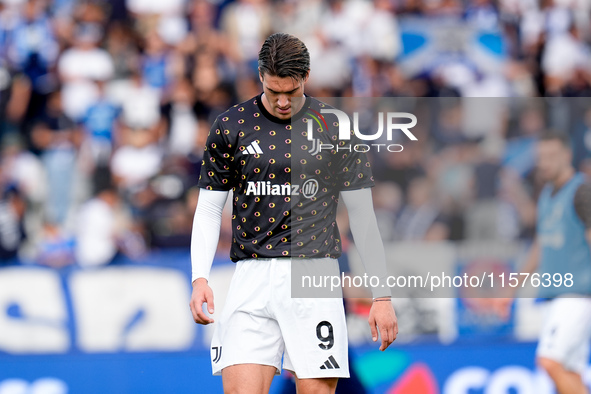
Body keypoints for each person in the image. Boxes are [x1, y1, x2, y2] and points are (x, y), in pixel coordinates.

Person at [189, 33, 398, 394]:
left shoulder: (335, 127)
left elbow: (363, 216)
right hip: (251, 278)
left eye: (292, 92)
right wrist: (199, 277)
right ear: (260, 78)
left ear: (307, 76)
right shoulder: (231, 126)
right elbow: (209, 208)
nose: (283, 101)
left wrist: (382, 296)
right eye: (274, 92)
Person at [493, 132, 591, 394]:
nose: (544, 163)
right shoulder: (547, 193)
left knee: (550, 362)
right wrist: (512, 288)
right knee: (568, 372)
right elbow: (541, 244)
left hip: (577, 295)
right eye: (540, 158)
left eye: (551, 157)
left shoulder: (582, 191)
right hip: (554, 295)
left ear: (567, 156)